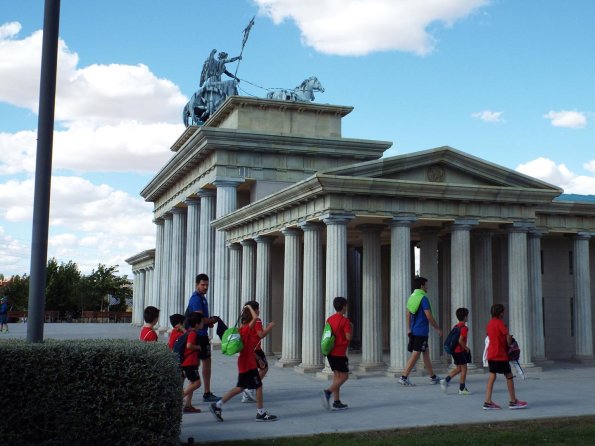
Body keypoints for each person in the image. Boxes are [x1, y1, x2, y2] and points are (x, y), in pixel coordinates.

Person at [209, 304, 277, 422]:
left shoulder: (242, 331)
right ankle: (260, 413)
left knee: (240, 388)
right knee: (258, 386)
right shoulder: (245, 330)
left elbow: (249, 348)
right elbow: (255, 318)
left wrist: (258, 358)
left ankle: (218, 405)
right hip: (248, 365)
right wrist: (250, 307)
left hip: (245, 364)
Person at [399, 276, 443, 386]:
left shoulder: (412, 297)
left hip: (414, 330)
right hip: (421, 332)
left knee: (426, 353)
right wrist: (437, 328)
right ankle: (404, 377)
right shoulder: (423, 298)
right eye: (426, 285)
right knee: (416, 354)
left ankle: (433, 377)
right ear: (422, 286)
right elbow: (429, 316)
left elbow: (408, 314)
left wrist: (409, 328)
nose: (427, 287)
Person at [483, 303, 528, 410]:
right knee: (509, 375)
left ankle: (487, 401)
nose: (504, 313)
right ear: (500, 313)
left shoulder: (490, 323)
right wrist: (510, 341)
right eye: (503, 311)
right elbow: (508, 339)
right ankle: (513, 401)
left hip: (491, 354)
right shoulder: (500, 323)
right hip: (500, 355)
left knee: (492, 375)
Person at [186, 273, 219, 402]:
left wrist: (209, 322)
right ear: (196, 285)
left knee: (201, 363)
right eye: (202, 285)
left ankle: (191, 400)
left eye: (207, 285)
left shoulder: (201, 298)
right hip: (198, 336)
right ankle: (204, 393)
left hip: (201, 334)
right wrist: (211, 320)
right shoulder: (196, 299)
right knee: (198, 364)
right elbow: (198, 319)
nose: (205, 287)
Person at [241, 300, 276, 403]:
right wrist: (270, 327)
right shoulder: (257, 321)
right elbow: (261, 334)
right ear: (255, 310)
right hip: (256, 349)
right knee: (264, 368)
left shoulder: (244, 320)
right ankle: (250, 389)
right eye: (258, 308)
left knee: (252, 371)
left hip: (247, 349)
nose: (259, 310)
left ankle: (246, 395)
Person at [321, 296, 353, 411]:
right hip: (339, 353)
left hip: (330, 352)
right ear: (344, 307)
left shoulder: (329, 319)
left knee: (337, 376)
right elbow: (348, 337)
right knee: (344, 376)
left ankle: (337, 401)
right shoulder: (345, 321)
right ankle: (328, 392)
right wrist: (351, 329)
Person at [440, 307, 472, 395]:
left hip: (454, 350)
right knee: (464, 368)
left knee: (458, 368)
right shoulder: (464, 328)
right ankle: (462, 389)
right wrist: (466, 348)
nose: (468, 317)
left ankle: (445, 381)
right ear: (465, 317)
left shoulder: (456, 326)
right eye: (467, 316)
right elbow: (461, 340)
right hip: (460, 351)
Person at [181, 312, 204, 413]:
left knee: (191, 382)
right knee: (197, 383)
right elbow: (189, 345)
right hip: (189, 363)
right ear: (197, 324)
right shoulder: (193, 333)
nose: (203, 324)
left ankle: (188, 405)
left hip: (190, 362)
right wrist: (198, 347)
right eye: (202, 322)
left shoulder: (190, 331)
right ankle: (178, 399)